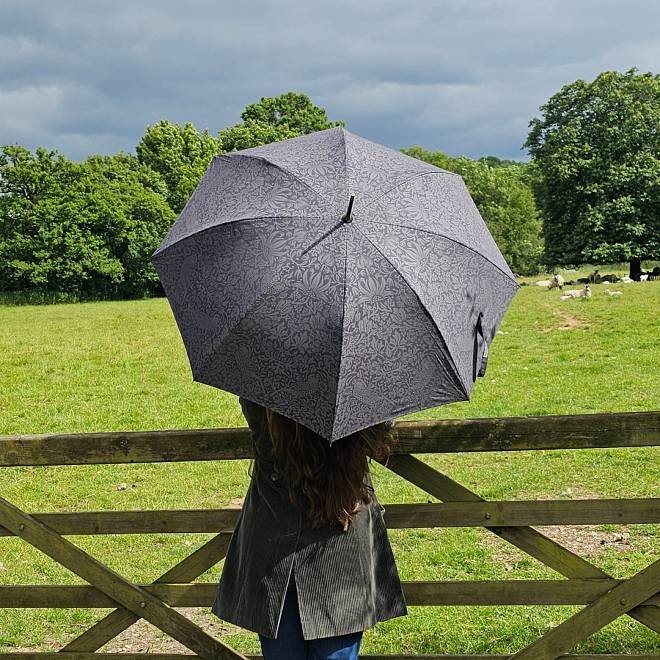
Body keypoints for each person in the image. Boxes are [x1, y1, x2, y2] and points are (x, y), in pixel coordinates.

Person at [211, 396, 408, 660]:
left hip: (275, 554)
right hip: (342, 556)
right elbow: (385, 421)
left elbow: (249, 396)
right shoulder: (359, 395)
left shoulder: (267, 399)